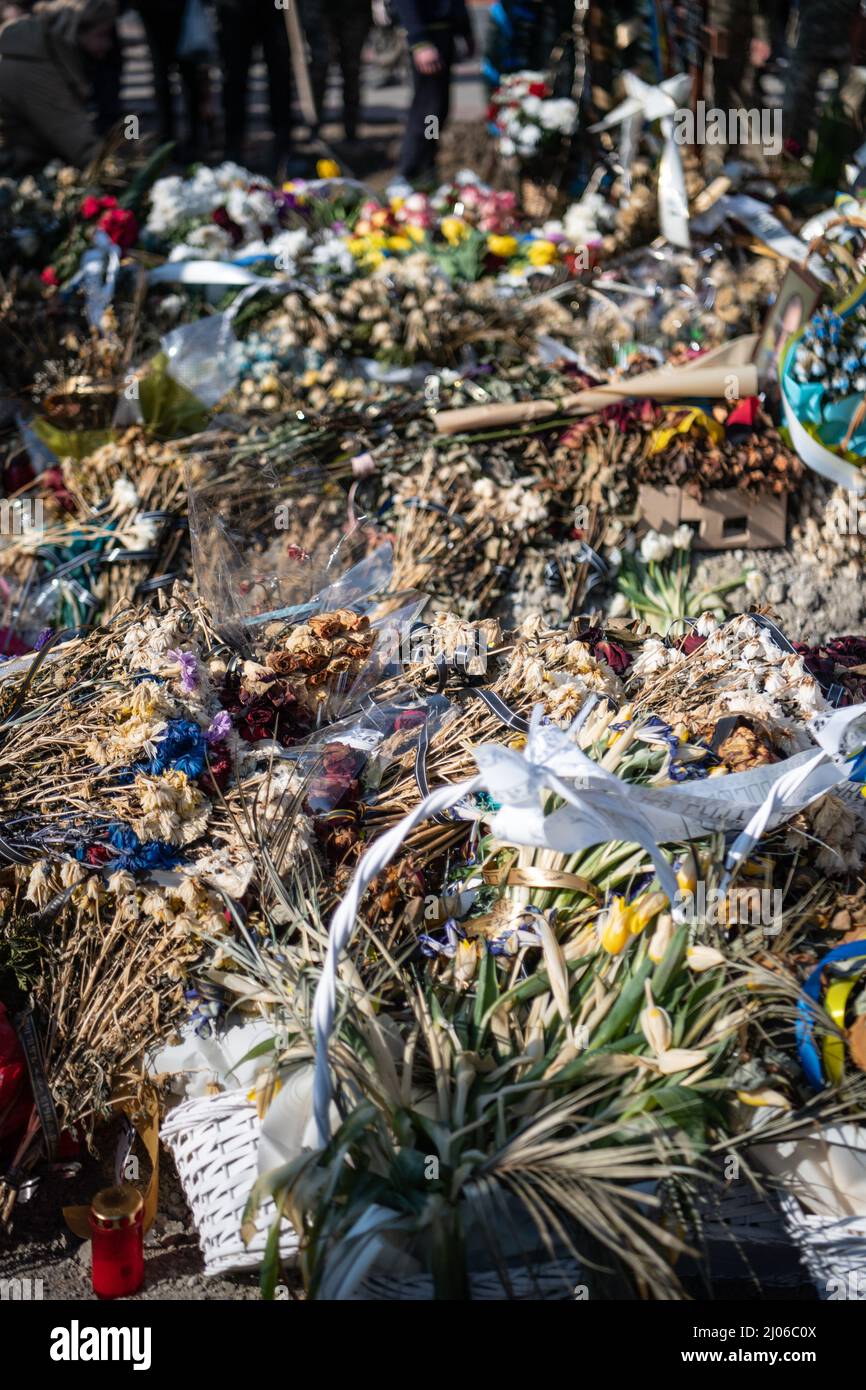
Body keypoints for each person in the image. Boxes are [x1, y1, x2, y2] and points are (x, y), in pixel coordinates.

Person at [0, 0, 116, 173]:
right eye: (101, 35)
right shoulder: (34, 69)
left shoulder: (39, 55)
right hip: (16, 172)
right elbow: (80, 146)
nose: (107, 45)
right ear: (74, 32)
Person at [392, 0, 475, 182]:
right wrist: (419, 41)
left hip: (444, 32)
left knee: (438, 110)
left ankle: (428, 164)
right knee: (428, 109)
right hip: (426, 35)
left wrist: (465, 30)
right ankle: (409, 171)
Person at [213, 0, 295, 167]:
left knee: (280, 74)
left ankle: (283, 148)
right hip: (234, 8)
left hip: (277, 6)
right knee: (234, 76)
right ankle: (232, 147)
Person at [134, 0, 209, 160]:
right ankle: (171, 140)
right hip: (156, 11)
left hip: (176, 11)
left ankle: (188, 140)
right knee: (168, 78)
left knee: (187, 77)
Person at [306, 0, 372, 145]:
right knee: (319, 66)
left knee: (352, 68)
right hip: (320, 9)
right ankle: (313, 128)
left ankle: (351, 130)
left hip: (354, 9)